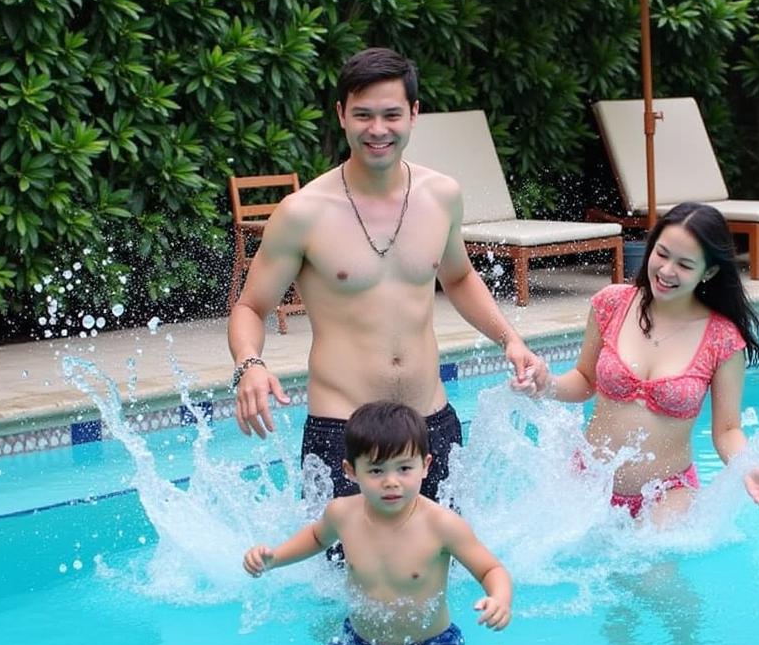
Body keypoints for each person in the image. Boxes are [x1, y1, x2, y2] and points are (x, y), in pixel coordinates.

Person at [228, 47, 549, 503]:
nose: (377, 130)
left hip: (431, 423)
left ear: (414, 114)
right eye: (362, 115)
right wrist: (249, 365)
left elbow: (458, 278)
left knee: (442, 569)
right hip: (345, 431)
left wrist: (510, 339)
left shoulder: (441, 196)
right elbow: (250, 306)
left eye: (391, 114)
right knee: (352, 575)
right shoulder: (303, 213)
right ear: (341, 115)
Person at [242, 401, 512, 645]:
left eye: (404, 468)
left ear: (426, 466)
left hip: (429, 644)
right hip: (360, 640)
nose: (391, 481)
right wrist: (274, 557)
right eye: (376, 470)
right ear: (351, 471)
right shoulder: (343, 513)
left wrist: (499, 597)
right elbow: (316, 538)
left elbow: (491, 568)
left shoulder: (442, 525)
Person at [541, 201, 759, 522]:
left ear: (708, 272)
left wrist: (746, 466)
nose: (667, 271)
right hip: (589, 482)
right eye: (662, 254)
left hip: (667, 493)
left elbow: (726, 430)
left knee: (653, 571)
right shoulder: (612, 303)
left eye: (684, 264)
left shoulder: (721, 340)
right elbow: (585, 381)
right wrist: (546, 385)